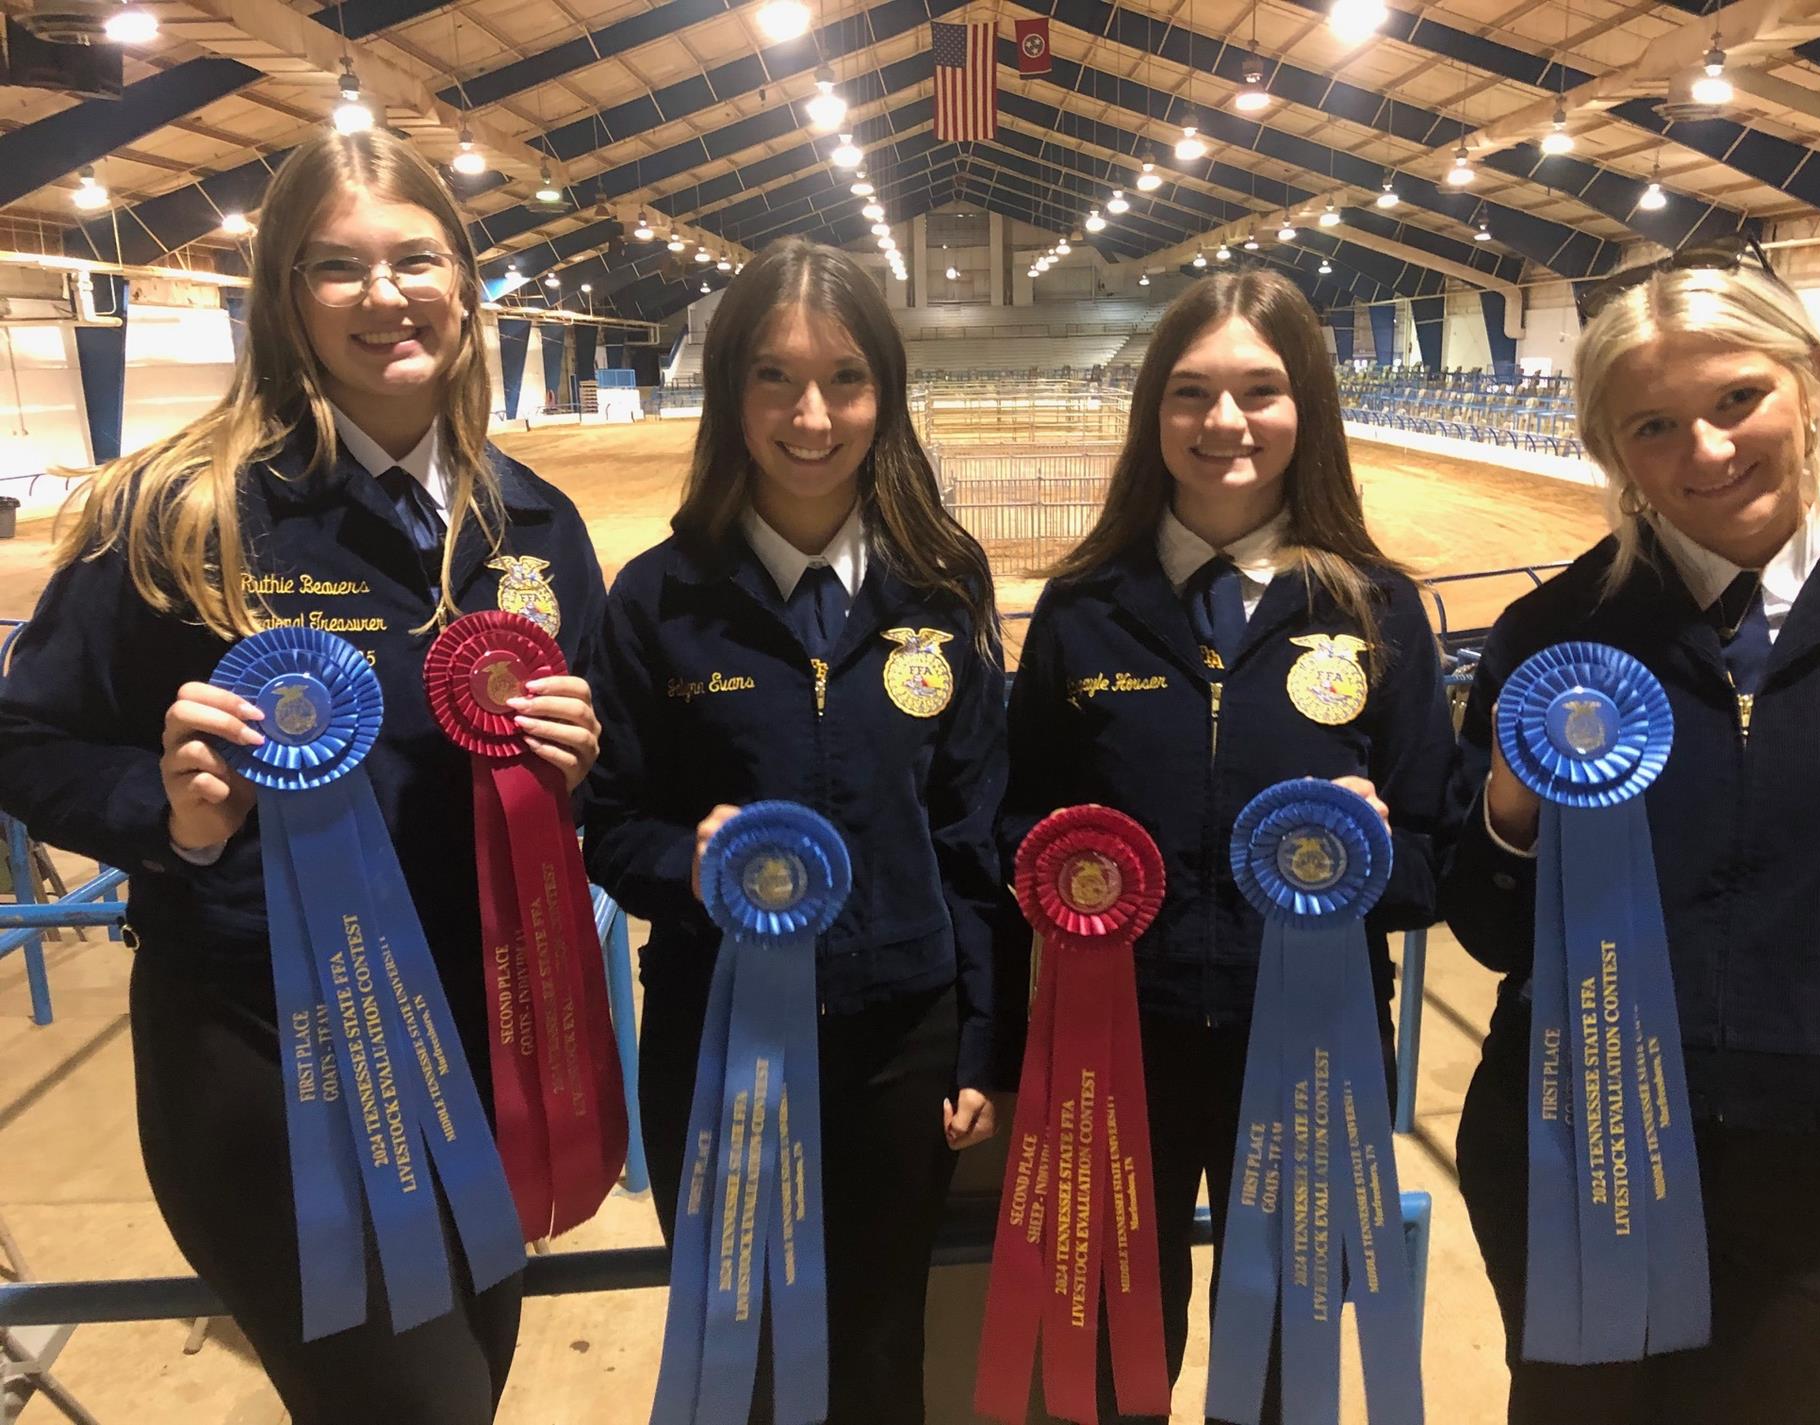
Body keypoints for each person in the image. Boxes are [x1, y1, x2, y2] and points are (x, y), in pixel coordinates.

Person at [0, 128, 605, 1422]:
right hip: (274, 1063)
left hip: (484, 1049)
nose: (384, 295)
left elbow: (579, 805)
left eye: (414, 260)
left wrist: (580, 769)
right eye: (339, 267)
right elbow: (29, 737)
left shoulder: (535, 527)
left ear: (466, 286)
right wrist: (166, 816)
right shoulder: (182, 513)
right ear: (286, 298)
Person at [1445, 237, 1820, 1425]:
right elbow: (1491, 930)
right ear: (1607, 449)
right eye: (1650, 426)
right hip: (1576, 1144)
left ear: (1809, 379)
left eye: (1736, 398)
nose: (1704, 450)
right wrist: (1506, 814)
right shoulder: (1553, 631)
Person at [999, 269, 1454, 1423]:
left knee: (1279, 1373)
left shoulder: (1376, 610)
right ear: (1155, 414)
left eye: (1260, 390)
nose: (1225, 424)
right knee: (1105, 1365)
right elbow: (1015, 827)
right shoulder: (1082, 609)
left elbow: (1434, 861)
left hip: (1307, 1049)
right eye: (1192, 393)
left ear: (1306, 409)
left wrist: (1364, 859)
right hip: (1116, 1047)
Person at [582, 235, 1012, 1424]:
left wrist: (982, 1039)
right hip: (717, 1037)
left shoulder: (942, 585)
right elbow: (608, 827)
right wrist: (692, 863)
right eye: (773, 376)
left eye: (845, 379)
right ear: (728, 395)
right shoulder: (657, 599)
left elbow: (976, 827)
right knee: (743, 1358)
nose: (811, 415)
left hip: (902, 1041)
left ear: (886, 393)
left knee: (879, 1352)